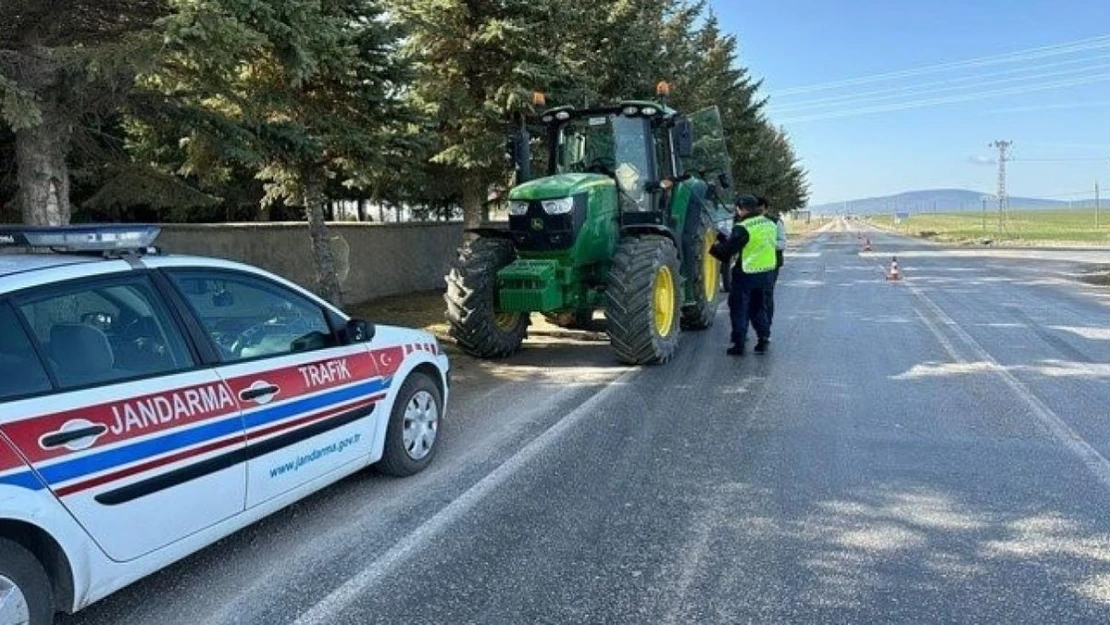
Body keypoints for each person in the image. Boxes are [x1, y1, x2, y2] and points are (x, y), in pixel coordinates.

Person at [711, 194, 778, 356]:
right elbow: (752, 243)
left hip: (746, 274)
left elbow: (726, 253)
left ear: (742, 209)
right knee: (758, 307)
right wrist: (728, 238)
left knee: (739, 308)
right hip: (767, 272)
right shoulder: (770, 223)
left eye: (738, 209)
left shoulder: (743, 227)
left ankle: (739, 344)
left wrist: (714, 246)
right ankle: (763, 339)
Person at [759, 196, 787, 327]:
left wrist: (768, 244)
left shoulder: (775, 222)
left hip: (771, 265)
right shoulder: (747, 222)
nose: (758, 213)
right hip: (751, 266)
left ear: (766, 209)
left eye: (761, 210)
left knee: (767, 295)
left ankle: (766, 327)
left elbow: (782, 244)